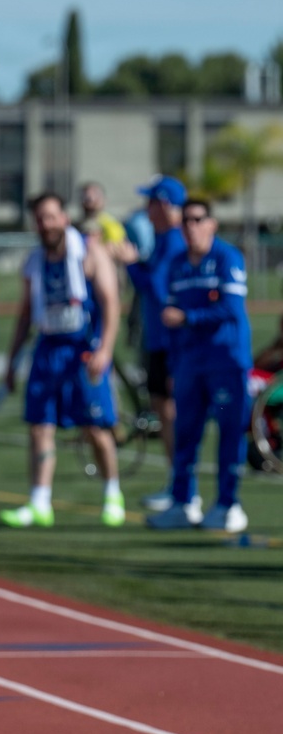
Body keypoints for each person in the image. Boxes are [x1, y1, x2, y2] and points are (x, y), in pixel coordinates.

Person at [0, 192, 125, 528]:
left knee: (95, 427)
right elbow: (25, 314)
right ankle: (39, 501)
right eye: (40, 219)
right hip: (48, 346)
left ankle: (112, 493)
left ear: (64, 219)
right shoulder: (34, 261)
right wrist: (12, 361)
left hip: (82, 347)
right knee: (40, 426)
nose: (45, 225)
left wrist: (105, 350)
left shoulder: (89, 252)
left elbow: (111, 304)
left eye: (51, 217)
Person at [147, 199, 252, 533]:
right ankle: (183, 502)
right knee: (185, 434)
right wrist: (175, 366)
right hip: (190, 364)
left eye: (197, 220)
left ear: (212, 224)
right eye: (186, 221)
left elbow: (231, 309)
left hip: (226, 361)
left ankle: (227, 504)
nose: (191, 227)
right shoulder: (178, 264)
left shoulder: (227, 257)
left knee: (228, 435)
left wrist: (188, 317)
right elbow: (170, 317)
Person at [125, 175, 194, 516]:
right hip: (159, 340)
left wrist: (129, 261)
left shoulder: (173, 242)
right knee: (163, 412)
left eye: (151, 202)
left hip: (171, 343)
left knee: (172, 414)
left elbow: (156, 287)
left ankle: (184, 489)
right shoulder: (166, 239)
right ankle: (176, 484)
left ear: (164, 205)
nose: (146, 210)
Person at [79, 181, 136, 265]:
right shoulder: (80, 227)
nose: (92, 198)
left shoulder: (112, 222)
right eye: (87, 196)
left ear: (104, 199)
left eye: (96, 194)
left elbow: (125, 248)